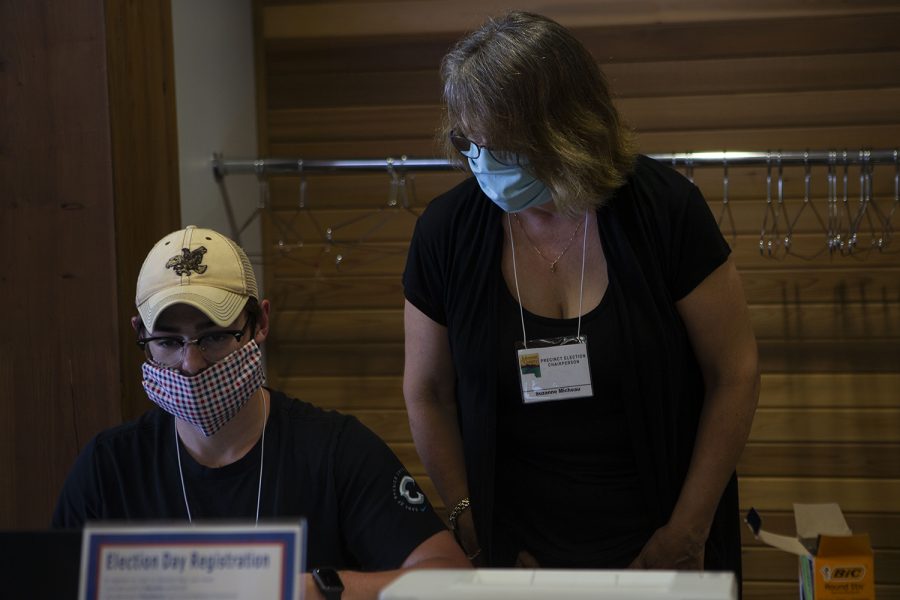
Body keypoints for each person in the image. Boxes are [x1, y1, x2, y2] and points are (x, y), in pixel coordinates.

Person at [402, 10, 759, 583]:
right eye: (472, 144)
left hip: (662, 546)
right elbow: (426, 391)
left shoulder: (665, 211)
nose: (484, 165)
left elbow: (735, 372)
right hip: (517, 556)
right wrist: (471, 520)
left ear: (567, 131)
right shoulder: (447, 232)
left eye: (506, 148)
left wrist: (688, 531)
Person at [53, 225, 469, 599]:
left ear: (261, 322)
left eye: (214, 337)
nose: (191, 364)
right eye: (167, 342)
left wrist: (314, 589)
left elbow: (450, 578)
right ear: (139, 334)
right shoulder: (108, 467)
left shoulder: (335, 452)